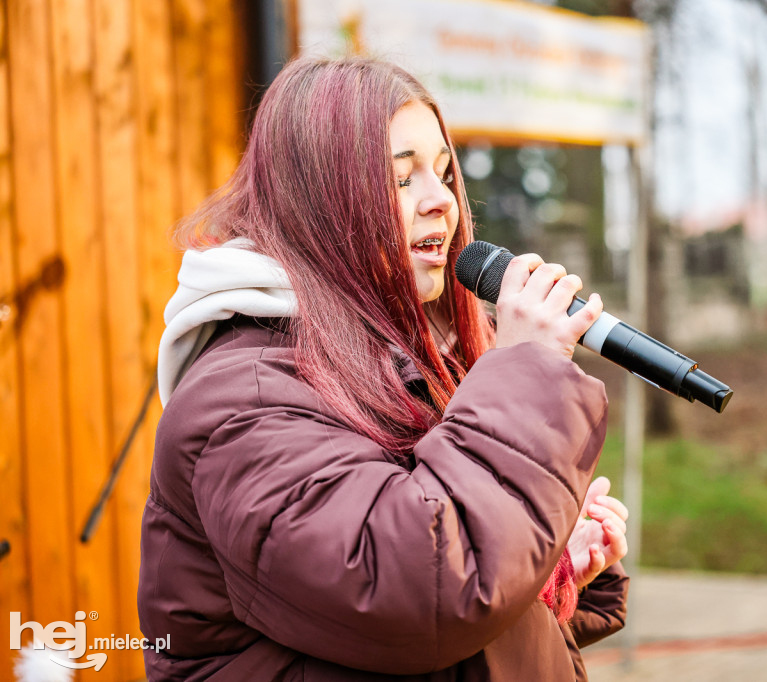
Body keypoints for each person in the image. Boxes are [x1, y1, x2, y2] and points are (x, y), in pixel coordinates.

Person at [138, 56, 629, 681]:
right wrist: (525, 370)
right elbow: (422, 592)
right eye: (402, 179)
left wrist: (545, 562)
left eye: (445, 173)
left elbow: (454, 554)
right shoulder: (247, 398)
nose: (441, 201)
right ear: (319, 201)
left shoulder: (400, 357)